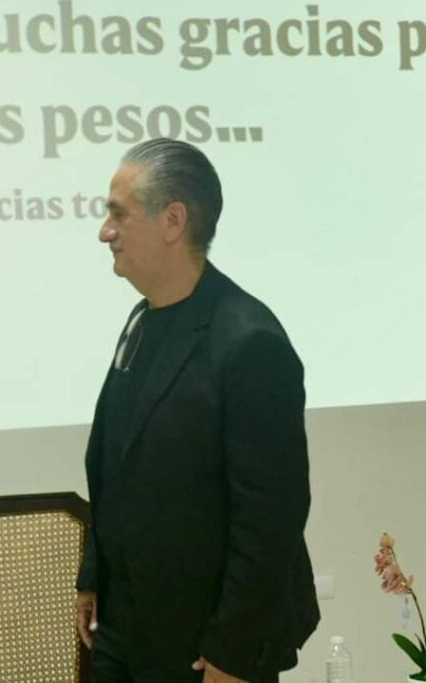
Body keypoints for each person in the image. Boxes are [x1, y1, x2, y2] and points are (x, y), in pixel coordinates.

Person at [74, 139, 320, 683]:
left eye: (118, 214)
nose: (104, 231)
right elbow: (118, 466)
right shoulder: (141, 321)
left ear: (173, 220)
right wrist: (95, 573)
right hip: (124, 631)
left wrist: (233, 651)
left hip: (204, 649)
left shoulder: (249, 342)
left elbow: (271, 518)